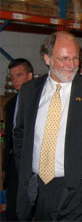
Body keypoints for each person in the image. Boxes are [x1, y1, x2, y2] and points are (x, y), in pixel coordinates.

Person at [13, 31, 82, 221]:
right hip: (37, 187)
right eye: (64, 59)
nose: (72, 65)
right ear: (47, 58)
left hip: (75, 188)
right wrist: (25, 170)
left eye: (75, 58)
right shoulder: (30, 91)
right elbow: (20, 133)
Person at [3, 58, 33, 221]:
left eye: (19, 75)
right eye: (12, 76)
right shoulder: (11, 104)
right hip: (15, 162)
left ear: (30, 76)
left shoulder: (40, 103)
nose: (15, 80)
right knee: (13, 207)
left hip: (33, 163)